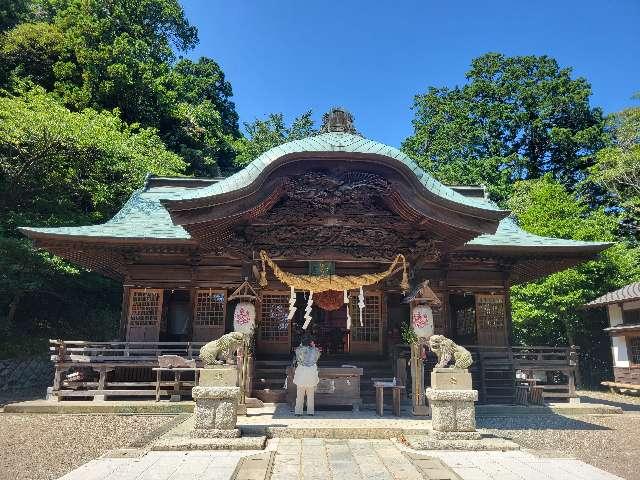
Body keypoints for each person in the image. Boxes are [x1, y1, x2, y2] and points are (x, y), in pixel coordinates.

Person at [292, 336, 321, 416]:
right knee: (310, 395)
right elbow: (318, 354)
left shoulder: (298, 350)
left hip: (301, 373)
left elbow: (297, 350)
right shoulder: (315, 351)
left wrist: (302, 344)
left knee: (300, 395)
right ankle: (310, 412)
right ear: (311, 343)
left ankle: (298, 412)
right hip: (311, 374)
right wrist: (313, 346)